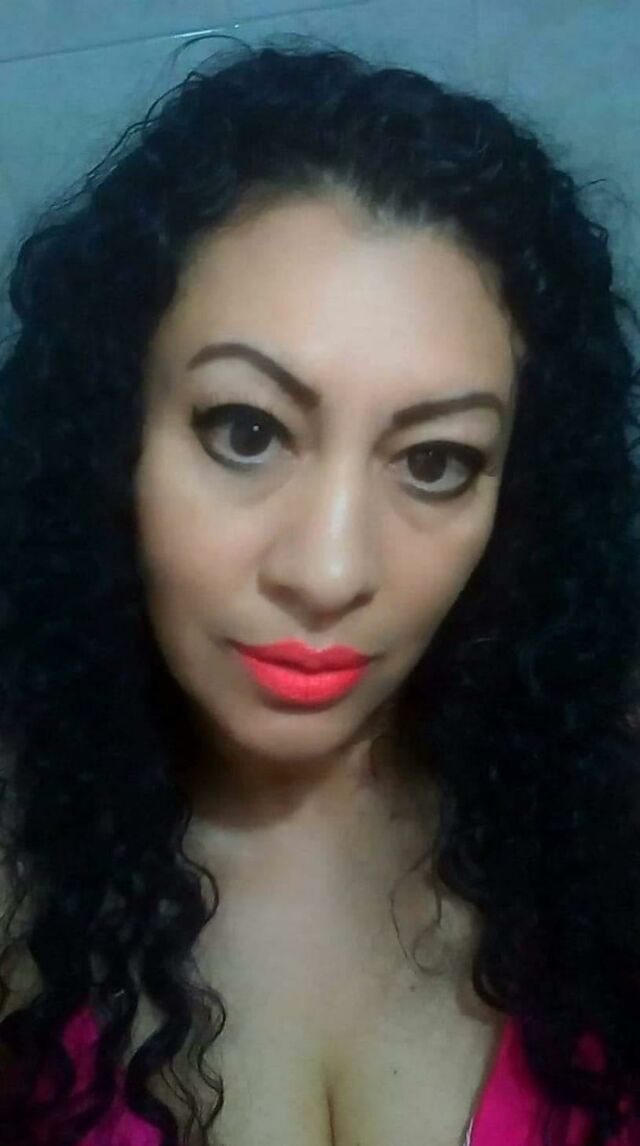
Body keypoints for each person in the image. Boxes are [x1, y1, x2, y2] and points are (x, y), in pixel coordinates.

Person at [0, 34, 639, 1146]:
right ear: (111, 437)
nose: (331, 572)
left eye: (436, 461)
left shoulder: (605, 823)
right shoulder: (18, 865)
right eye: (245, 431)